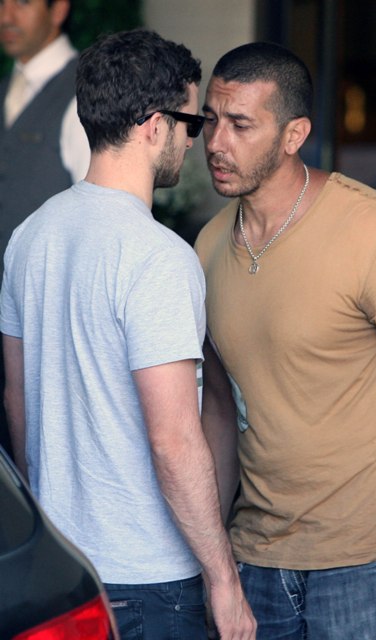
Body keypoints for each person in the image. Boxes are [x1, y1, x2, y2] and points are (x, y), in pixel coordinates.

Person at [0, 28, 255, 640]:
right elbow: (173, 440)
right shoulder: (158, 257)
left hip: (64, 572)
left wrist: (55, 514)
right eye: (190, 124)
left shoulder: (29, 237)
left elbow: (16, 397)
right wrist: (223, 579)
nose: (194, 141)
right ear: (153, 125)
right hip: (149, 579)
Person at [195, 41, 376, 640]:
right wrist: (216, 562)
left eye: (240, 125)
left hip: (367, 558)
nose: (215, 143)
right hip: (255, 555)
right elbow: (219, 410)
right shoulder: (207, 247)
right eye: (210, 120)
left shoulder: (375, 230)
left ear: (294, 134)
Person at [0, 0, 90, 456]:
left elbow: (95, 215)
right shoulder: (6, 88)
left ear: (59, 10)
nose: (5, 16)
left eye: (22, 2)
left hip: (44, 326)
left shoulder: (80, 94)